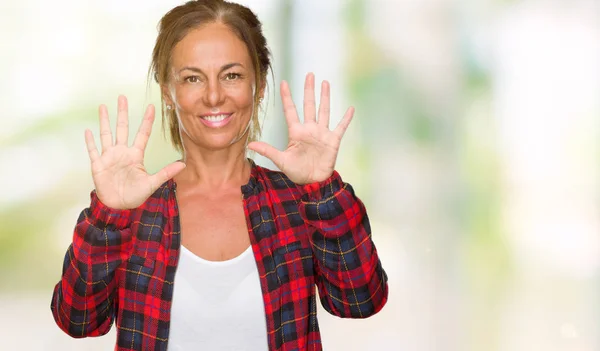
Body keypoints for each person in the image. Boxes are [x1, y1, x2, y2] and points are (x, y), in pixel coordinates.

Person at [50, 0, 388, 350]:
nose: (213, 96)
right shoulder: (131, 211)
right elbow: (79, 321)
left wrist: (322, 191)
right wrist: (108, 216)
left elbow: (361, 301)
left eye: (232, 75)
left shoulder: (298, 201)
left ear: (257, 86)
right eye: (193, 78)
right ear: (168, 90)